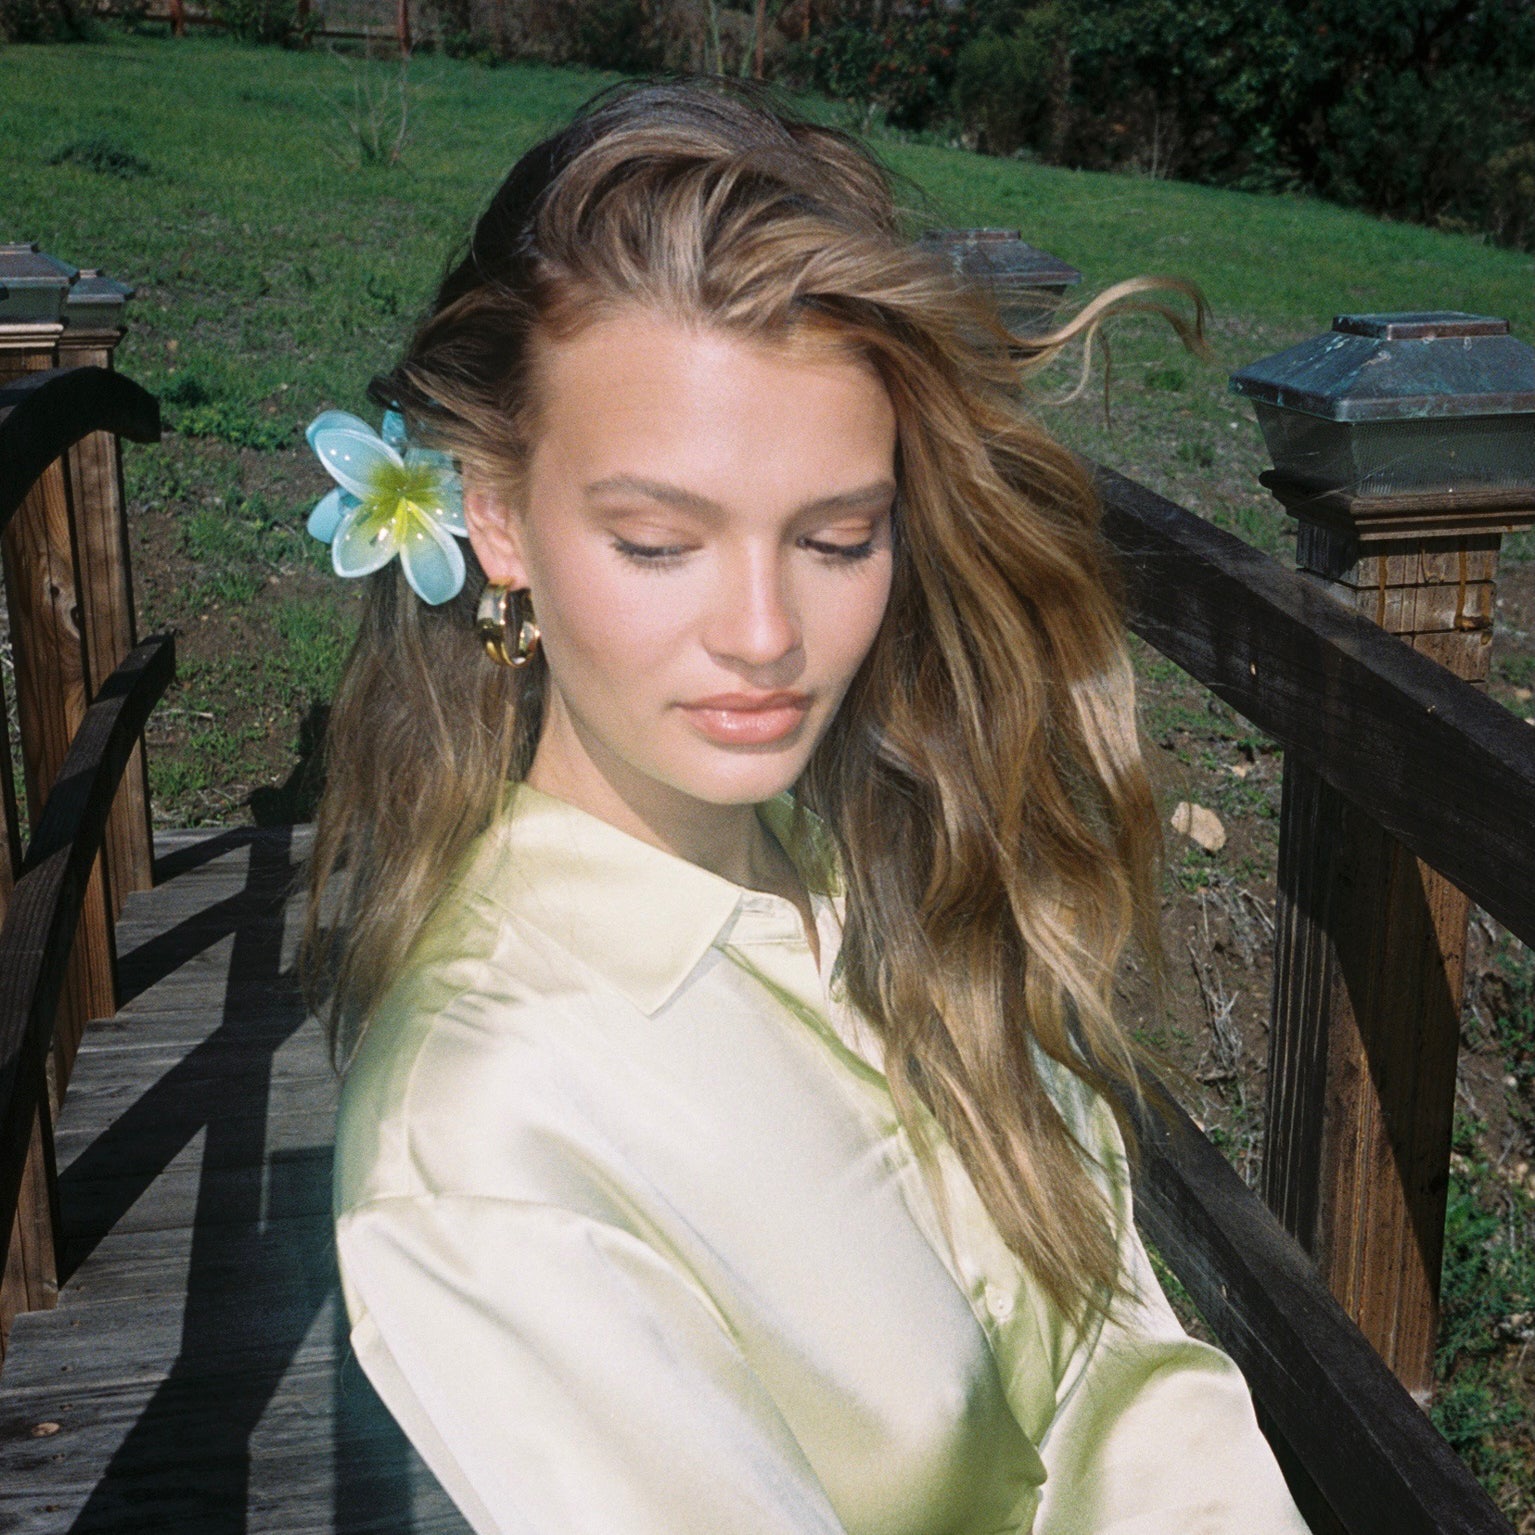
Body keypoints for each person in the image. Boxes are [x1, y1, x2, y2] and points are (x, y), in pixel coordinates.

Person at [304, 76, 1310, 1535]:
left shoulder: (857, 872)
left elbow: (1121, 1381)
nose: (767, 636)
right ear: (500, 518)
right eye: (659, 543)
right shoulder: (487, 1146)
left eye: (839, 538)